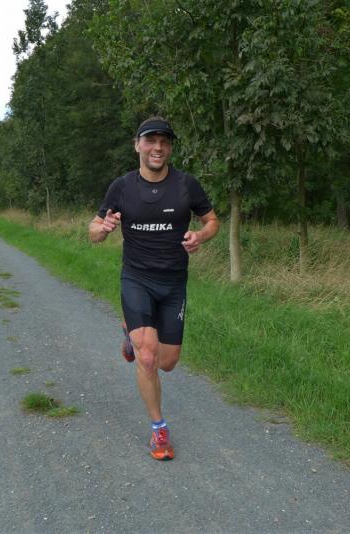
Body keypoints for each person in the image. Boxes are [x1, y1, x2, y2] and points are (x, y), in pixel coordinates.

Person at [88, 117, 219, 460]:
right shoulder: (122, 188)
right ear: (137, 145)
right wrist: (104, 227)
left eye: (164, 141)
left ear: (170, 147)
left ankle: (130, 334)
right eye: (150, 141)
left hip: (174, 284)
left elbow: (212, 220)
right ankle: (159, 429)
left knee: (167, 362)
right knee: (147, 357)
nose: (157, 147)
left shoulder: (186, 185)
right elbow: (93, 232)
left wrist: (201, 235)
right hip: (137, 279)